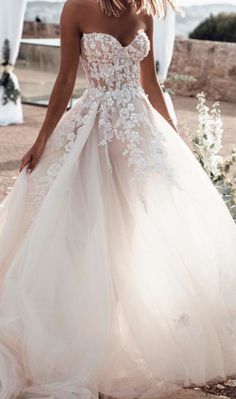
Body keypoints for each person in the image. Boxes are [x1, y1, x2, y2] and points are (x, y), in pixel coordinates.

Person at [0, 0, 236, 398]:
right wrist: (41, 141)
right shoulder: (75, 8)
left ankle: (128, 328)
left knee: (133, 230)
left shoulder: (144, 9)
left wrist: (174, 135)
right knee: (87, 227)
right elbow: (64, 80)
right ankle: (83, 329)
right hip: (93, 129)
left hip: (140, 134)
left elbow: (151, 82)